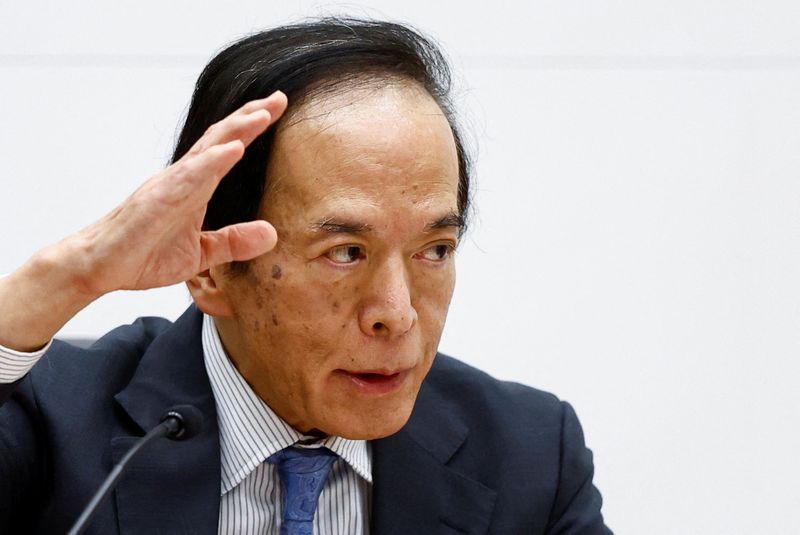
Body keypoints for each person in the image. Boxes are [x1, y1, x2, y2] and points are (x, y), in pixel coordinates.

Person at [0, 18, 611, 534]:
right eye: (345, 253)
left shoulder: (529, 458)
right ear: (213, 268)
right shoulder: (54, 423)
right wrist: (70, 274)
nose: (397, 314)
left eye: (435, 249)